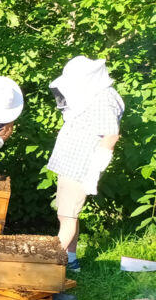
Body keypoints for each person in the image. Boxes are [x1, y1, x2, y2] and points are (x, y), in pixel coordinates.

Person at [47, 56, 124, 272]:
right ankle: (70, 260)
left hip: (81, 167)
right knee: (66, 214)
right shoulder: (93, 96)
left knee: (68, 216)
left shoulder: (104, 98)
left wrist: (94, 171)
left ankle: (52, 265)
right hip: (71, 164)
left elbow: (110, 136)